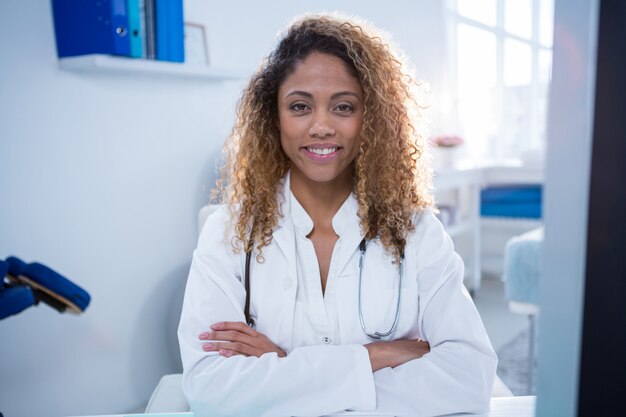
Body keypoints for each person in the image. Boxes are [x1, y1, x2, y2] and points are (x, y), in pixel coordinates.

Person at [178, 14, 497, 417]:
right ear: (273, 117)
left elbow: (467, 377)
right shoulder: (226, 232)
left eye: (344, 107)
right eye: (300, 106)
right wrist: (376, 355)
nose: (322, 126)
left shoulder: (417, 232)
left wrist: (281, 364)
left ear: (372, 120)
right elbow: (209, 389)